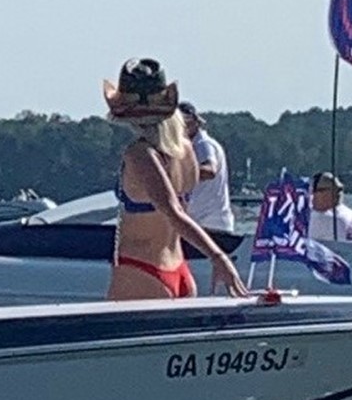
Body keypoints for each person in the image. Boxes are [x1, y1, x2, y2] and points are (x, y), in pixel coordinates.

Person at [103, 59, 249, 301]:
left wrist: (218, 258)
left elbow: (172, 211)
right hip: (178, 267)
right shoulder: (185, 150)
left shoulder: (140, 154)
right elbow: (179, 209)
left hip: (141, 270)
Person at [178, 101, 234, 233]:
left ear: (196, 122)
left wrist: (177, 174)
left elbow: (210, 170)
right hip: (207, 223)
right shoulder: (193, 145)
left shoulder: (202, 143)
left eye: (186, 122)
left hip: (207, 224)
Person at [308, 172, 352, 242]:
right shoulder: (302, 216)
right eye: (323, 190)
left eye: (339, 189)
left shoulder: (351, 220)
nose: (337, 193)